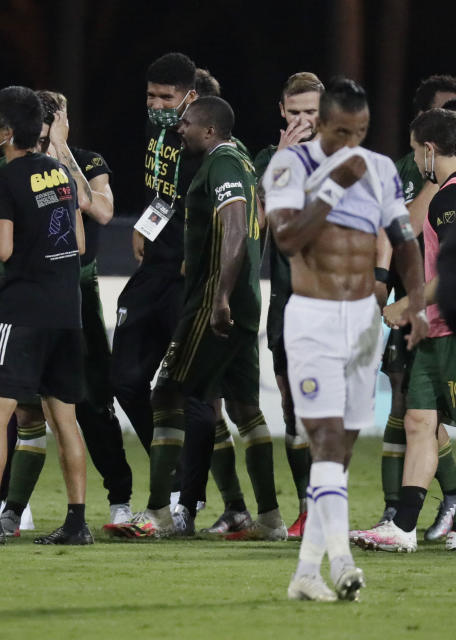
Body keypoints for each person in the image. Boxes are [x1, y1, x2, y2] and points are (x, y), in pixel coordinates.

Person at [265, 78, 427, 601]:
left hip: (362, 320)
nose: (351, 143)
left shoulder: (378, 168)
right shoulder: (292, 166)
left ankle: (305, 574)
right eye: (341, 132)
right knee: (327, 442)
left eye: (360, 132)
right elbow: (287, 239)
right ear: (320, 124)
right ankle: (343, 562)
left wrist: (418, 303)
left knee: (342, 450)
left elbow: (403, 240)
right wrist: (333, 186)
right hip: (312, 318)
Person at [118, 97, 280, 540]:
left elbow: (232, 224)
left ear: (209, 130)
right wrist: (242, 288)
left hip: (212, 305)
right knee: (246, 408)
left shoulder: (221, 163)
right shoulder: (243, 161)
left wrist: (222, 295)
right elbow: (254, 228)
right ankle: (269, 519)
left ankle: (158, 513)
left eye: (187, 123)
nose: (180, 128)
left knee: (167, 396)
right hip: (242, 303)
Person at [0, 85, 89, 545]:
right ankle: (76, 523)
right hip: (68, 310)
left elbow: (3, 247)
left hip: (24, 309)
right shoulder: (60, 174)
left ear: (6, 132)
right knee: (64, 419)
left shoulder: (2, 179)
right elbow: (79, 244)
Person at [355, 108, 456, 553]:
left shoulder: (449, 199)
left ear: (430, 149)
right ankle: (404, 527)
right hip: (436, 330)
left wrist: (406, 303)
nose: (415, 162)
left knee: (422, 421)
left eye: (417, 152)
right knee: (419, 421)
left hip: (450, 329)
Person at [36, 90, 133, 526]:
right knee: (11, 403)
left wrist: (62, 153)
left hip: (78, 289)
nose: (60, 122)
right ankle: (4, 508)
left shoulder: (88, 161)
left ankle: (119, 499)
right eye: (52, 117)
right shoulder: (15, 165)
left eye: (63, 115)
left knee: (94, 403)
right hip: (28, 289)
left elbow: (103, 211)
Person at [251, 72, 325, 539]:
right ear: (282, 111)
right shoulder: (265, 160)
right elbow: (254, 229)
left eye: (311, 113)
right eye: (294, 112)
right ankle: (305, 506)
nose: (302, 121)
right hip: (284, 302)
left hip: (329, 301)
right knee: (291, 403)